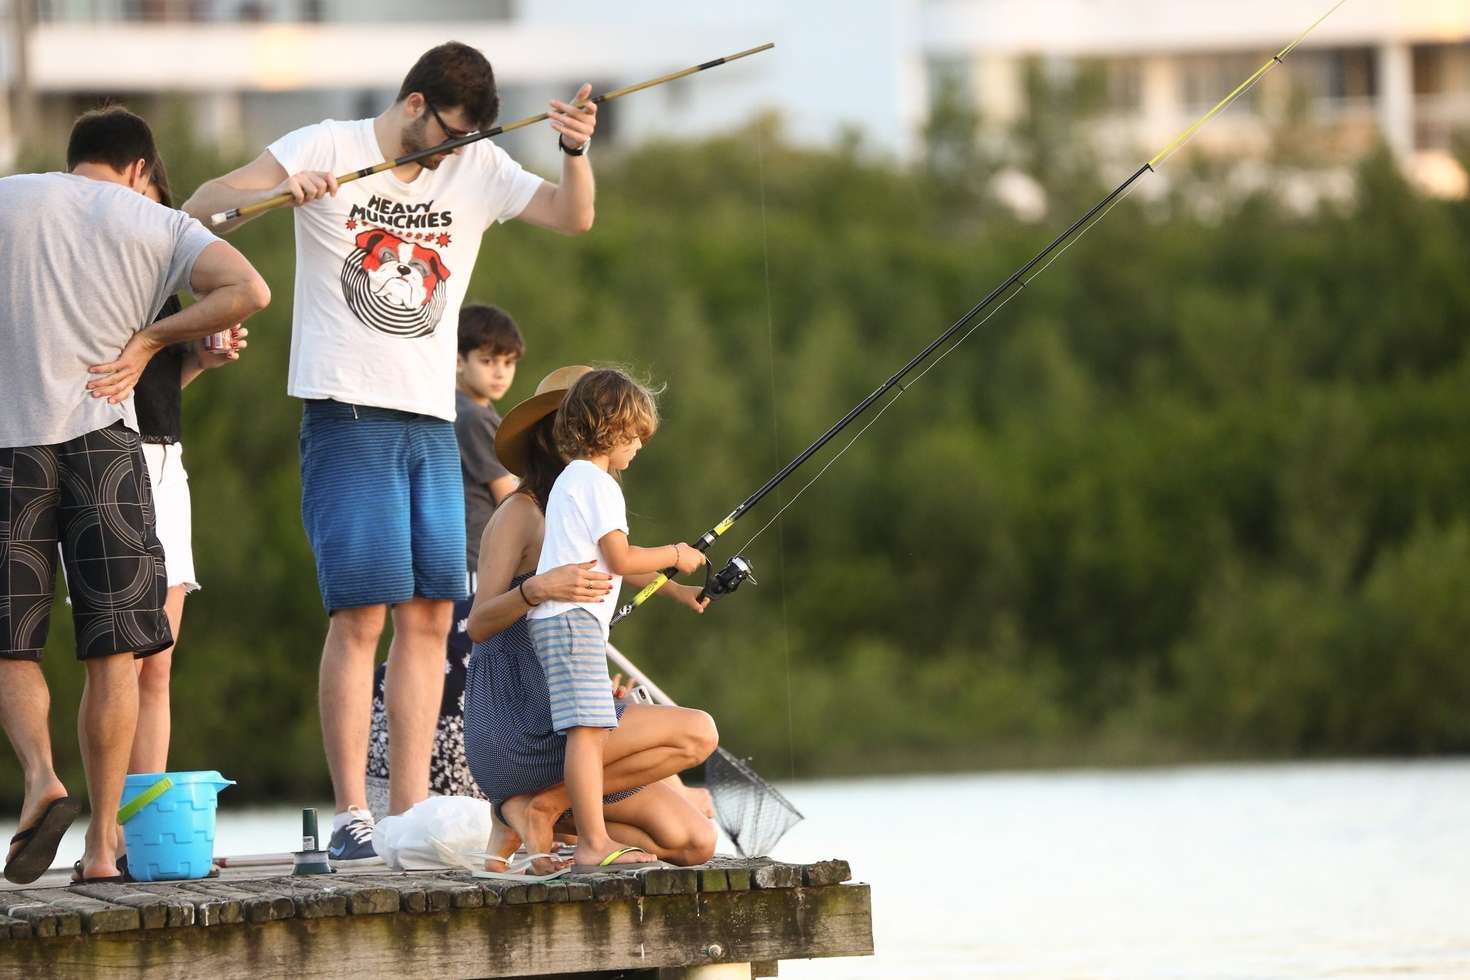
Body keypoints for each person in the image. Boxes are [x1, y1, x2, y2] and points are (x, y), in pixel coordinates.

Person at [181, 41, 600, 861]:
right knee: (361, 614)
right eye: (446, 132)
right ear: (414, 105)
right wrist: (276, 189)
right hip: (348, 413)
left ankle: (407, 812)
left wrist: (576, 150)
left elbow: (572, 215)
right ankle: (352, 813)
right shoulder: (327, 145)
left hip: (431, 422)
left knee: (433, 615)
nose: (453, 151)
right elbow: (200, 204)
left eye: (467, 139)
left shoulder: (473, 165)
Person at [0, 107, 269, 885]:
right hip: (106, 440)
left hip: (11, 441)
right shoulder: (152, 220)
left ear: (74, 158)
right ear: (142, 169)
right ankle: (99, 854)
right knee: (115, 654)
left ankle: (40, 778)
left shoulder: (12, 195)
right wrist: (153, 340)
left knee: (12, 639)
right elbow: (247, 290)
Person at [465, 366, 720, 873]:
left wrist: (675, 589)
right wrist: (536, 588)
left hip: (569, 721)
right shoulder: (522, 512)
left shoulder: (580, 500)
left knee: (696, 843)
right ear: (552, 430)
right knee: (696, 732)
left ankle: (540, 812)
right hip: (520, 722)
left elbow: (614, 565)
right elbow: (478, 624)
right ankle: (537, 809)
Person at [364, 303, 522, 815]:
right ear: (457, 361)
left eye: (508, 362)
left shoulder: (455, 411)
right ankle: (460, 796)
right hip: (471, 568)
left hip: (450, 564)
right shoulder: (475, 418)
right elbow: (514, 498)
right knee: (464, 682)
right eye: (487, 359)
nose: (499, 371)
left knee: (436, 669)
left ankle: (425, 795)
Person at [130, 159, 251, 783]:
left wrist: (202, 359)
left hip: (167, 462)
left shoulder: (167, 280)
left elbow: (159, 385)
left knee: (158, 660)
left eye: (152, 204)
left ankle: (142, 825)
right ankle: (111, 832)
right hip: (108, 459)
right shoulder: (89, 275)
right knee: (119, 661)